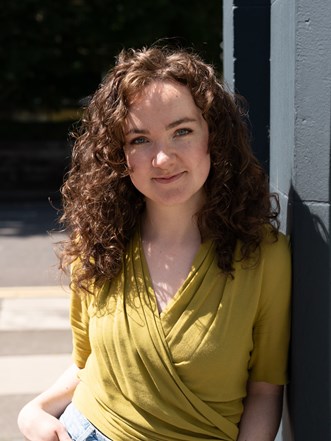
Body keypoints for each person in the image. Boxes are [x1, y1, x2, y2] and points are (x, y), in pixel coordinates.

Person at [18, 46, 291, 441]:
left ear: (213, 137)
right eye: (140, 139)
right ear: (118, 153)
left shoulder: (264, 255)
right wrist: (35, 409)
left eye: (182, 131)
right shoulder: (97, 244)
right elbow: (87, 366)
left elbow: (265, 390)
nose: (162, 159)